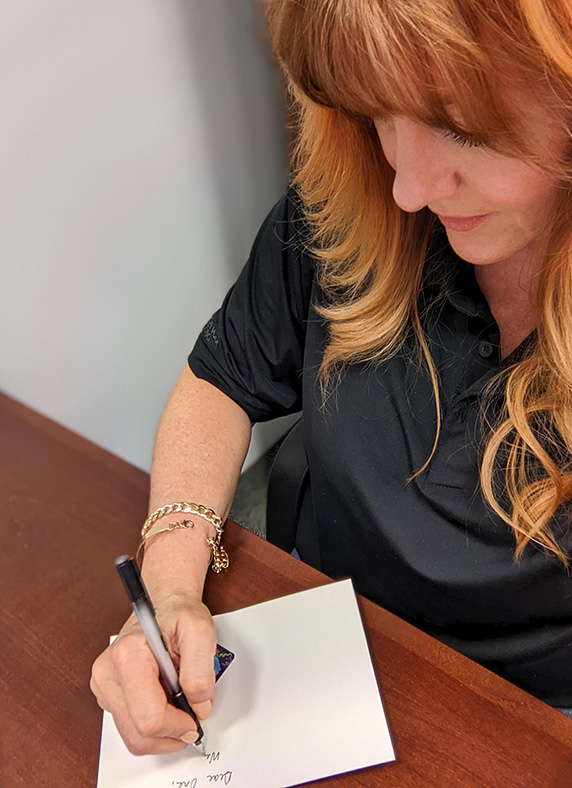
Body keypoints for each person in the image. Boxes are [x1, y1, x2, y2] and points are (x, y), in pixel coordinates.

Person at [90, 0, 572, 754]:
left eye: (461, 126)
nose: (408, 187)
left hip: (525, 723)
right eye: (375, 111)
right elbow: (220, 379)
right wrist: (172, 573)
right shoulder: (345, 206)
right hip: (320, 648)